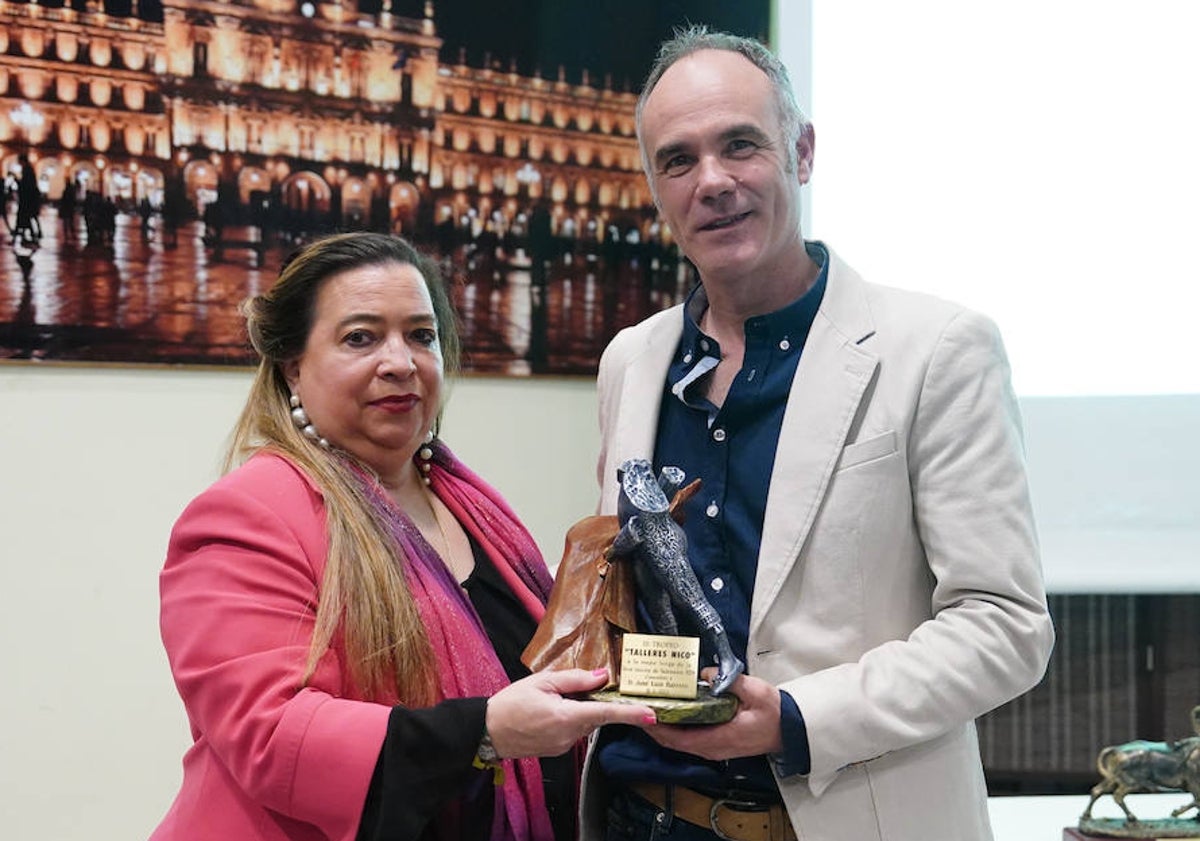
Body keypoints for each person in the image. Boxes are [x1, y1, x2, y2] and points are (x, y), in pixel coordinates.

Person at [583, 26, 1055, 841]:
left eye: (741, 145)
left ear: (801, 151)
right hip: (640, 816)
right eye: (679, 159)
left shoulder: (937, 349)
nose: (715, 181)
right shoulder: (633, 359)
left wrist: (796, 718)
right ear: (654, 186)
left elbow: (1005, 625)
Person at [151, 232, 655, 841]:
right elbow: (271, 733)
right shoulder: (244, 516)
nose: (401, 362)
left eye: (421, 335)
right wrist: (486, 731)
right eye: (360, 338)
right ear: (292, 367)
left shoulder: (468, 501)